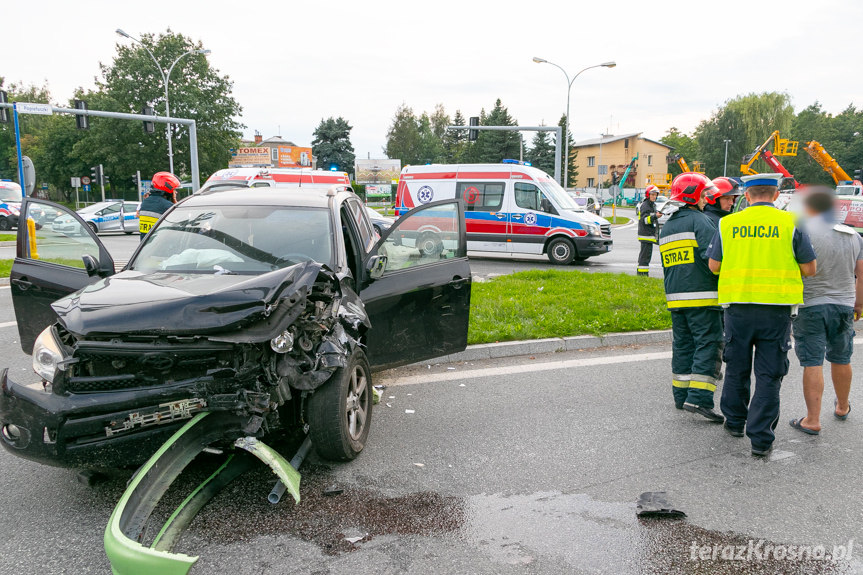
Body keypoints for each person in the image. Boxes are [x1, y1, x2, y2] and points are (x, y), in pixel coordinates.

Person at [707, 173, 817, 456]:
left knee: (736, 367)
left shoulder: (727, 223)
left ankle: (734, 422)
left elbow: (714, 266)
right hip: (776, 310)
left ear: (746, 195)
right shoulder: (792, 222)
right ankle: (761, 440)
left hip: (738, 307)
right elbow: (809, 269)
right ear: (777, 194)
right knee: (769, 374)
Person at [788, 188, 863, 435]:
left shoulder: (801, 232)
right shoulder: (853, 235)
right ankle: (842, 406)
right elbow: (860, 274)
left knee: (813, 360)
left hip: (810, 305)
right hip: (843, 305)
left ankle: (812, 419)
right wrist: (859, 303)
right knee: (842, 356)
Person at [659, 173, 724, 421]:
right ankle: (699, 400)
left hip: (676, 299)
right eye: (705, 195)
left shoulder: (669, 225)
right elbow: (713, 260)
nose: (708, 200)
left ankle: (681, 396)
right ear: (694, 195)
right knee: (708, 344)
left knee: (683, 346)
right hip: (703, 297)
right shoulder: (701, 221)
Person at [139, 171, 180, 239]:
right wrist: (174, 200)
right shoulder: (167, 205)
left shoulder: (146, 202)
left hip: (145, 244)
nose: (176, 192)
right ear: (168, 189)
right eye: (174, 189)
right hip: (161, 244)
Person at [637, 185, 660, 276]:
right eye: (652, 195)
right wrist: (655, 216)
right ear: (648, 195)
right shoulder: (646, 205)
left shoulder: (652, 205)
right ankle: (642, 275)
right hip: (646, 235)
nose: (654, 197)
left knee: (646, 256)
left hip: (649, 235)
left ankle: (643, 274)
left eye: (655, 195)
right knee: (645, 257)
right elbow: (645, 220)